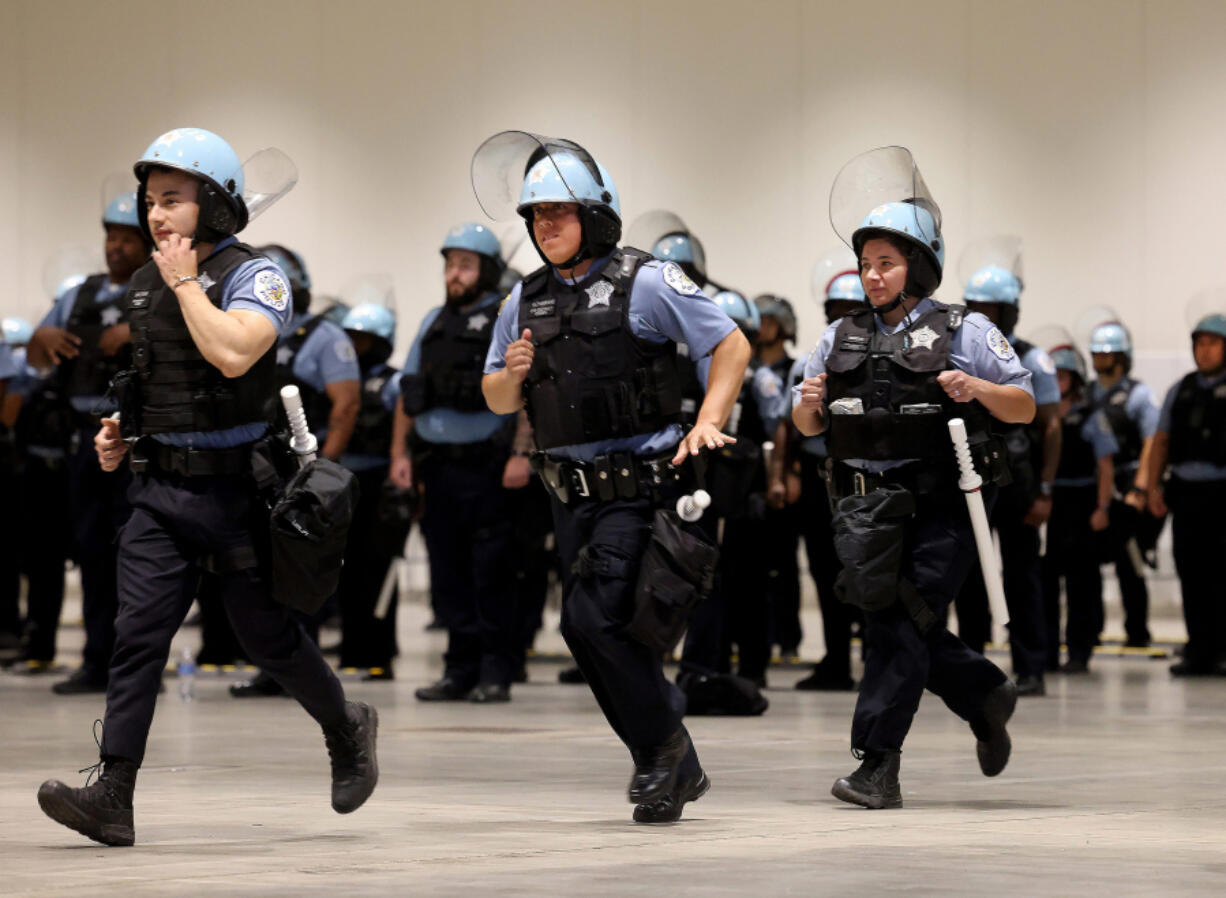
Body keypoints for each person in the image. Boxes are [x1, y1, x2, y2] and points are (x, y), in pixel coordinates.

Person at [35, 127, 377, 847]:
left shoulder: (260, 276)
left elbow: (231, 354)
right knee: (138, 639)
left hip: (239, 493)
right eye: (149, 201)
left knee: (270, 641)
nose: (155, 215)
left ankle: (347, 728)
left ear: (216, 206)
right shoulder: (141, 287)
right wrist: (120, 432)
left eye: (173, 200)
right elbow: (156, 382)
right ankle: (114, 794)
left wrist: (186, 281)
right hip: (160, 492)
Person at [479, 132, 750, 823]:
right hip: (571, 495)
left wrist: (708, 418)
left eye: (559, 213)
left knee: (591, 620)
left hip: (639, 487)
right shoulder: (524, 299)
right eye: (535, 216)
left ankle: (665, 751)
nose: (546, 227)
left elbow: (731, 343)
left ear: (595, 215)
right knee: (593, 630)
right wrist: (509, 377)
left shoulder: (648, 281)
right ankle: (665, 756)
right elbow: (497, 398)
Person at [795, 146, 1035, 809]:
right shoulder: (837, 339)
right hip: (864, 512)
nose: (872, 276)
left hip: (940, 510)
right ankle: (983, 693)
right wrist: (809, 403)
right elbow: (807, 426)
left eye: (887, 263)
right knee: (902, 624)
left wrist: (977, 385)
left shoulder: (966, 329)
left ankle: (877, 766)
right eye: (866, 264)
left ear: (918, 267)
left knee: (898, 628)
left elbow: (1025, 403)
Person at [25, 190, 149, 695]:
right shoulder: (78, 294)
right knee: (93, 550)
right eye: (110, 237)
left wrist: (136, 334)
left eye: (127, 238)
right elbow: (35, 359)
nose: (116, 247)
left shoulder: (160, 290)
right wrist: (42, 340)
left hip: (138, 441)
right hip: (85, 441)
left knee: (138, 555)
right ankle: (97, 660)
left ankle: (137, 667)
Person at [224, 244, 361, 693]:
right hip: (257, 468)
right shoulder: (248, 326)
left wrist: (320, 475)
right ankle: (276, 666)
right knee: (263, 573)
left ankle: (307, 667)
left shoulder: (324, 337)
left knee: (304, 566)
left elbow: (345, 406)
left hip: (304, 470)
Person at [393, 222, 520, 703]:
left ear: (486, 270)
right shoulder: (432, 322)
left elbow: (525, 393)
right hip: (437, 466)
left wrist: (520, 454)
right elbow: (408, 394)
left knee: (491, 572)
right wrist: (400, 456)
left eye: (465, 265)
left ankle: (495, 672)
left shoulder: (504, 318)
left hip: (487, 466)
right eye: (450, 264)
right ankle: (458, 669)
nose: (455, 273)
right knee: (447, 574)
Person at [953, 239, 1059, 696]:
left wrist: (1046, 489)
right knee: (970, 577)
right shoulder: (962, 349)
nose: (985, 316)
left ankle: (1030, 666)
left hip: (1018, 483)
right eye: (977, 307)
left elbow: (1052, 428)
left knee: (1021, 576)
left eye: (994, 308)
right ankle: (972, 665)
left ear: (1011, 311)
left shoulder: (1034, 358)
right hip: (974, 478)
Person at [772, 253, 867, 691]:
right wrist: (783, 473)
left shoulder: (876, 357)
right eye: (836, 310)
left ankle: (876, 659)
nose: (843, 317)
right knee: (824, 571)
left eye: (851, 310)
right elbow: (789, 425)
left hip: (861, 471)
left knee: (868, 568)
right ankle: (836, 661)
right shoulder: (811, 359)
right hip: (816, 473)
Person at [677, 290, 772, 714]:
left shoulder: (759, 386)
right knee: (701, 581)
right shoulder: (684, 379)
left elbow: (775, 435)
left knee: (747, 583)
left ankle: (750, 666)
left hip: (742, 496)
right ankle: (701, 666)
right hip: (697, 495)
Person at [1147, 306, 1226, 676]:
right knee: (1192, 573)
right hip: (1188, 494)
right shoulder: (1181, 391)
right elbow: (1161, 442)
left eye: (1213, 344)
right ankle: (1199, 650)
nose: (1205, 351)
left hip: (1222, 493)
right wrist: (1152, 488)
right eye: (1200, 344)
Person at [335, 302, 404, 678]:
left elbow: (404, 431)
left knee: (378, 570)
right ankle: (350, 652)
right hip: (345, 484)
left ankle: (379, 654)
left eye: (362, 340)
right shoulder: (339, 377)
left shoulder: (393, 382)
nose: (354, 347)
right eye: (350, 339)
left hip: (381, 485)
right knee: (345, 571)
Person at [1039, 342, 1116, 673]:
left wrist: (1102, 507)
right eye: (1054, 376)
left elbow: (1106, 466)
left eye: (1064, 376)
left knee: (1081, 582)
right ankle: (1047, 651)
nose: (1059, 381)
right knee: (1045, 581)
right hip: (1050, 503)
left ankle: (1080, 651)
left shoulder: (1090, 416)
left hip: (1081, 503)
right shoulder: (1040, 415)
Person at [1087, 320, 1160, 647]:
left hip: (1127, 485)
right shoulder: (1087, 393)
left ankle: (1137, 631)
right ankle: (1090, 631)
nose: (1100, 360)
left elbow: (1151, 442)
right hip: (1094, 486)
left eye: (1107, 355)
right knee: (1087, 564)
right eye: (1096, 355)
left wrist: (1141, 488)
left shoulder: (1138, 395)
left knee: (1130, 563)